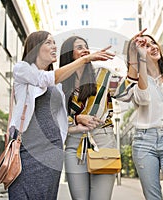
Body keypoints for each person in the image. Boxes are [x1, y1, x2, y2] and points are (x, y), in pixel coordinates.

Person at [8, 31, 114, 200]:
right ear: (35, 47)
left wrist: (76, 126)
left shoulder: (56, 85)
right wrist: (85, 59)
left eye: (54, 43)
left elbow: (57, 121)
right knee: (23, 194)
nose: (54, 47)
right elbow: (45, 79)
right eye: (48, 43)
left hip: (53, 149)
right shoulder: (23, 69)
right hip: (29, 148)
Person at [118, 28, 163, 200]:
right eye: (145, 45)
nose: (151, 47)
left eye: (153, 43)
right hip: (144, 142)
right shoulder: (136, 79)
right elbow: (143, 98)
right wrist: (141, 59)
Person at [59, 36, 118, 200]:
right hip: (74, 145)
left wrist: (136, 58)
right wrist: (77, 119)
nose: (84, 49)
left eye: (86, 46)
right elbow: (56, 121)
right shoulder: (59, 83)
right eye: (79, 47)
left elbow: (128, 90)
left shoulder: (103, 75)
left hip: (103, 141)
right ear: (68, 54)